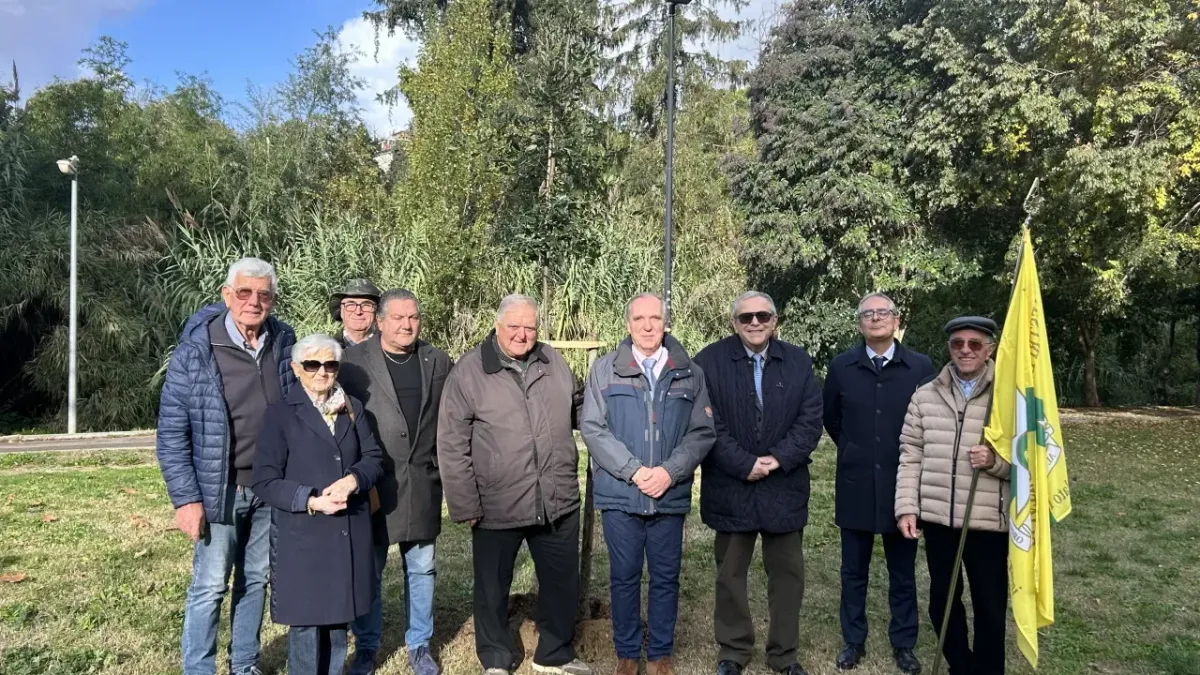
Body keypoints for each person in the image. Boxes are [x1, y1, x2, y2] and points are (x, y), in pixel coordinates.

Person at [437, 294, 593, 675]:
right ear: (497, 326)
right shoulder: (470, 372)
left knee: (561, 582)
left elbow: (580, 405)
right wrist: (465, 504)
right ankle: (496, 657)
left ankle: (554, 652)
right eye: (514, 327)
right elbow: (451, 443)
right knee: (492, 588)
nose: (523, 335)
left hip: (556, 498)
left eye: (530, 327)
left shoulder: (552, 360)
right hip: (496, 503)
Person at [156, 257, 296, 675]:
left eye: (264, 295)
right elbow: (171, 433)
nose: (254, 302)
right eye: (245, 293)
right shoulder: (198, 349)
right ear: (226, 295)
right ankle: (199, 669)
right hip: (220, 490)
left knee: (256, 580)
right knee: (210, 585)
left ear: (272, 300)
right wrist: (186, 499)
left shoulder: (284, 341)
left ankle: (244, 664)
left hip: (270, 488)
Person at [580, 293, 715, 675]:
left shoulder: (689, 371)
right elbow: (593, 428)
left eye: (655, 318)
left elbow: (702, 432)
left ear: (665, 322)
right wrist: (634, 471)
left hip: (667, 495)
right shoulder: (605, 370)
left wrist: (669, 472)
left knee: (665, 577)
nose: (647, 325)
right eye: (639, 318)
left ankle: (659, 653)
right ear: (628, 324)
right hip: (621, 495)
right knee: (623, 576)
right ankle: (626, 653)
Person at [693, 291, 823, 675]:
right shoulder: (709, 361)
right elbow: (706, 422)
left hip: (784, 487)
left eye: (762, 316)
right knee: (730, 574)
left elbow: (810, 419)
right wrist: (743, 463)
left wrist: (778, 459)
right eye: (746, 317)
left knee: (788, 577)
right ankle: (733, 651)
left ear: (775, 320)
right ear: (734, 322)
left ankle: (784, 655)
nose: (754, 323)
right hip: (731, 487)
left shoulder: (798, 362)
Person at [253, 334, 385, 675]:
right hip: (305, 536)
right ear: (297, 369)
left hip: (347, 531)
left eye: (330, 364)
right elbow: (265, 481)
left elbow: (373, 458)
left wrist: (354, 479)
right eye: (313, 364)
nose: (322, 372)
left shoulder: (352, 407)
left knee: (339, 616)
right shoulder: (279, 416)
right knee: (308, 622)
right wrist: (310, 500)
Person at [340, 289, 452, 675]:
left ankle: (419, 644)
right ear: (381, 321)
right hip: (371, 484)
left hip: (421, 480)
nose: (407, 325)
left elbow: (450, 418)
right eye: (399, 318)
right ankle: (367, 647)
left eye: (414, 318)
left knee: (421, 568)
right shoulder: (352, 362)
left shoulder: (437, 361)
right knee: (368, 569)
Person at [823, 293, 932, 674]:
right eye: (867, 314)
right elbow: (832, 419)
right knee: (853, 572)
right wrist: (855, 449)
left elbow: (927, 424)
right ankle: (853, 641)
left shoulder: (920, 367)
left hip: (902, 487)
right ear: (859, 324)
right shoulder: (842, 367)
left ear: (896, 320)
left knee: (902, 573)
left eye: (882, 312)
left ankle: (904, 643)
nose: (875, 318)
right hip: (855, 484)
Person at [895, 316, 1010, 675]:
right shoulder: (925, 395)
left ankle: (988, 669)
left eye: (975, 344)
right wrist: (907, 507)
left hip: (988, 520)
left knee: (989, 604)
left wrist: (996, 462)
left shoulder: (1008, 397)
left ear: (989, 349)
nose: (965, 350)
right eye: (958, 343)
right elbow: (910, 453)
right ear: (949, 348)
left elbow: (1031, 459)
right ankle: (961, 665)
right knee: (942, 602)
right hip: (939, 518)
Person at [330, 279, 383, 348]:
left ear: (376, 311)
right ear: (341, 311)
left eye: (366, 305)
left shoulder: (392, 348)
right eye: (350, 305)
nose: (358, 312)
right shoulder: (325, 350)